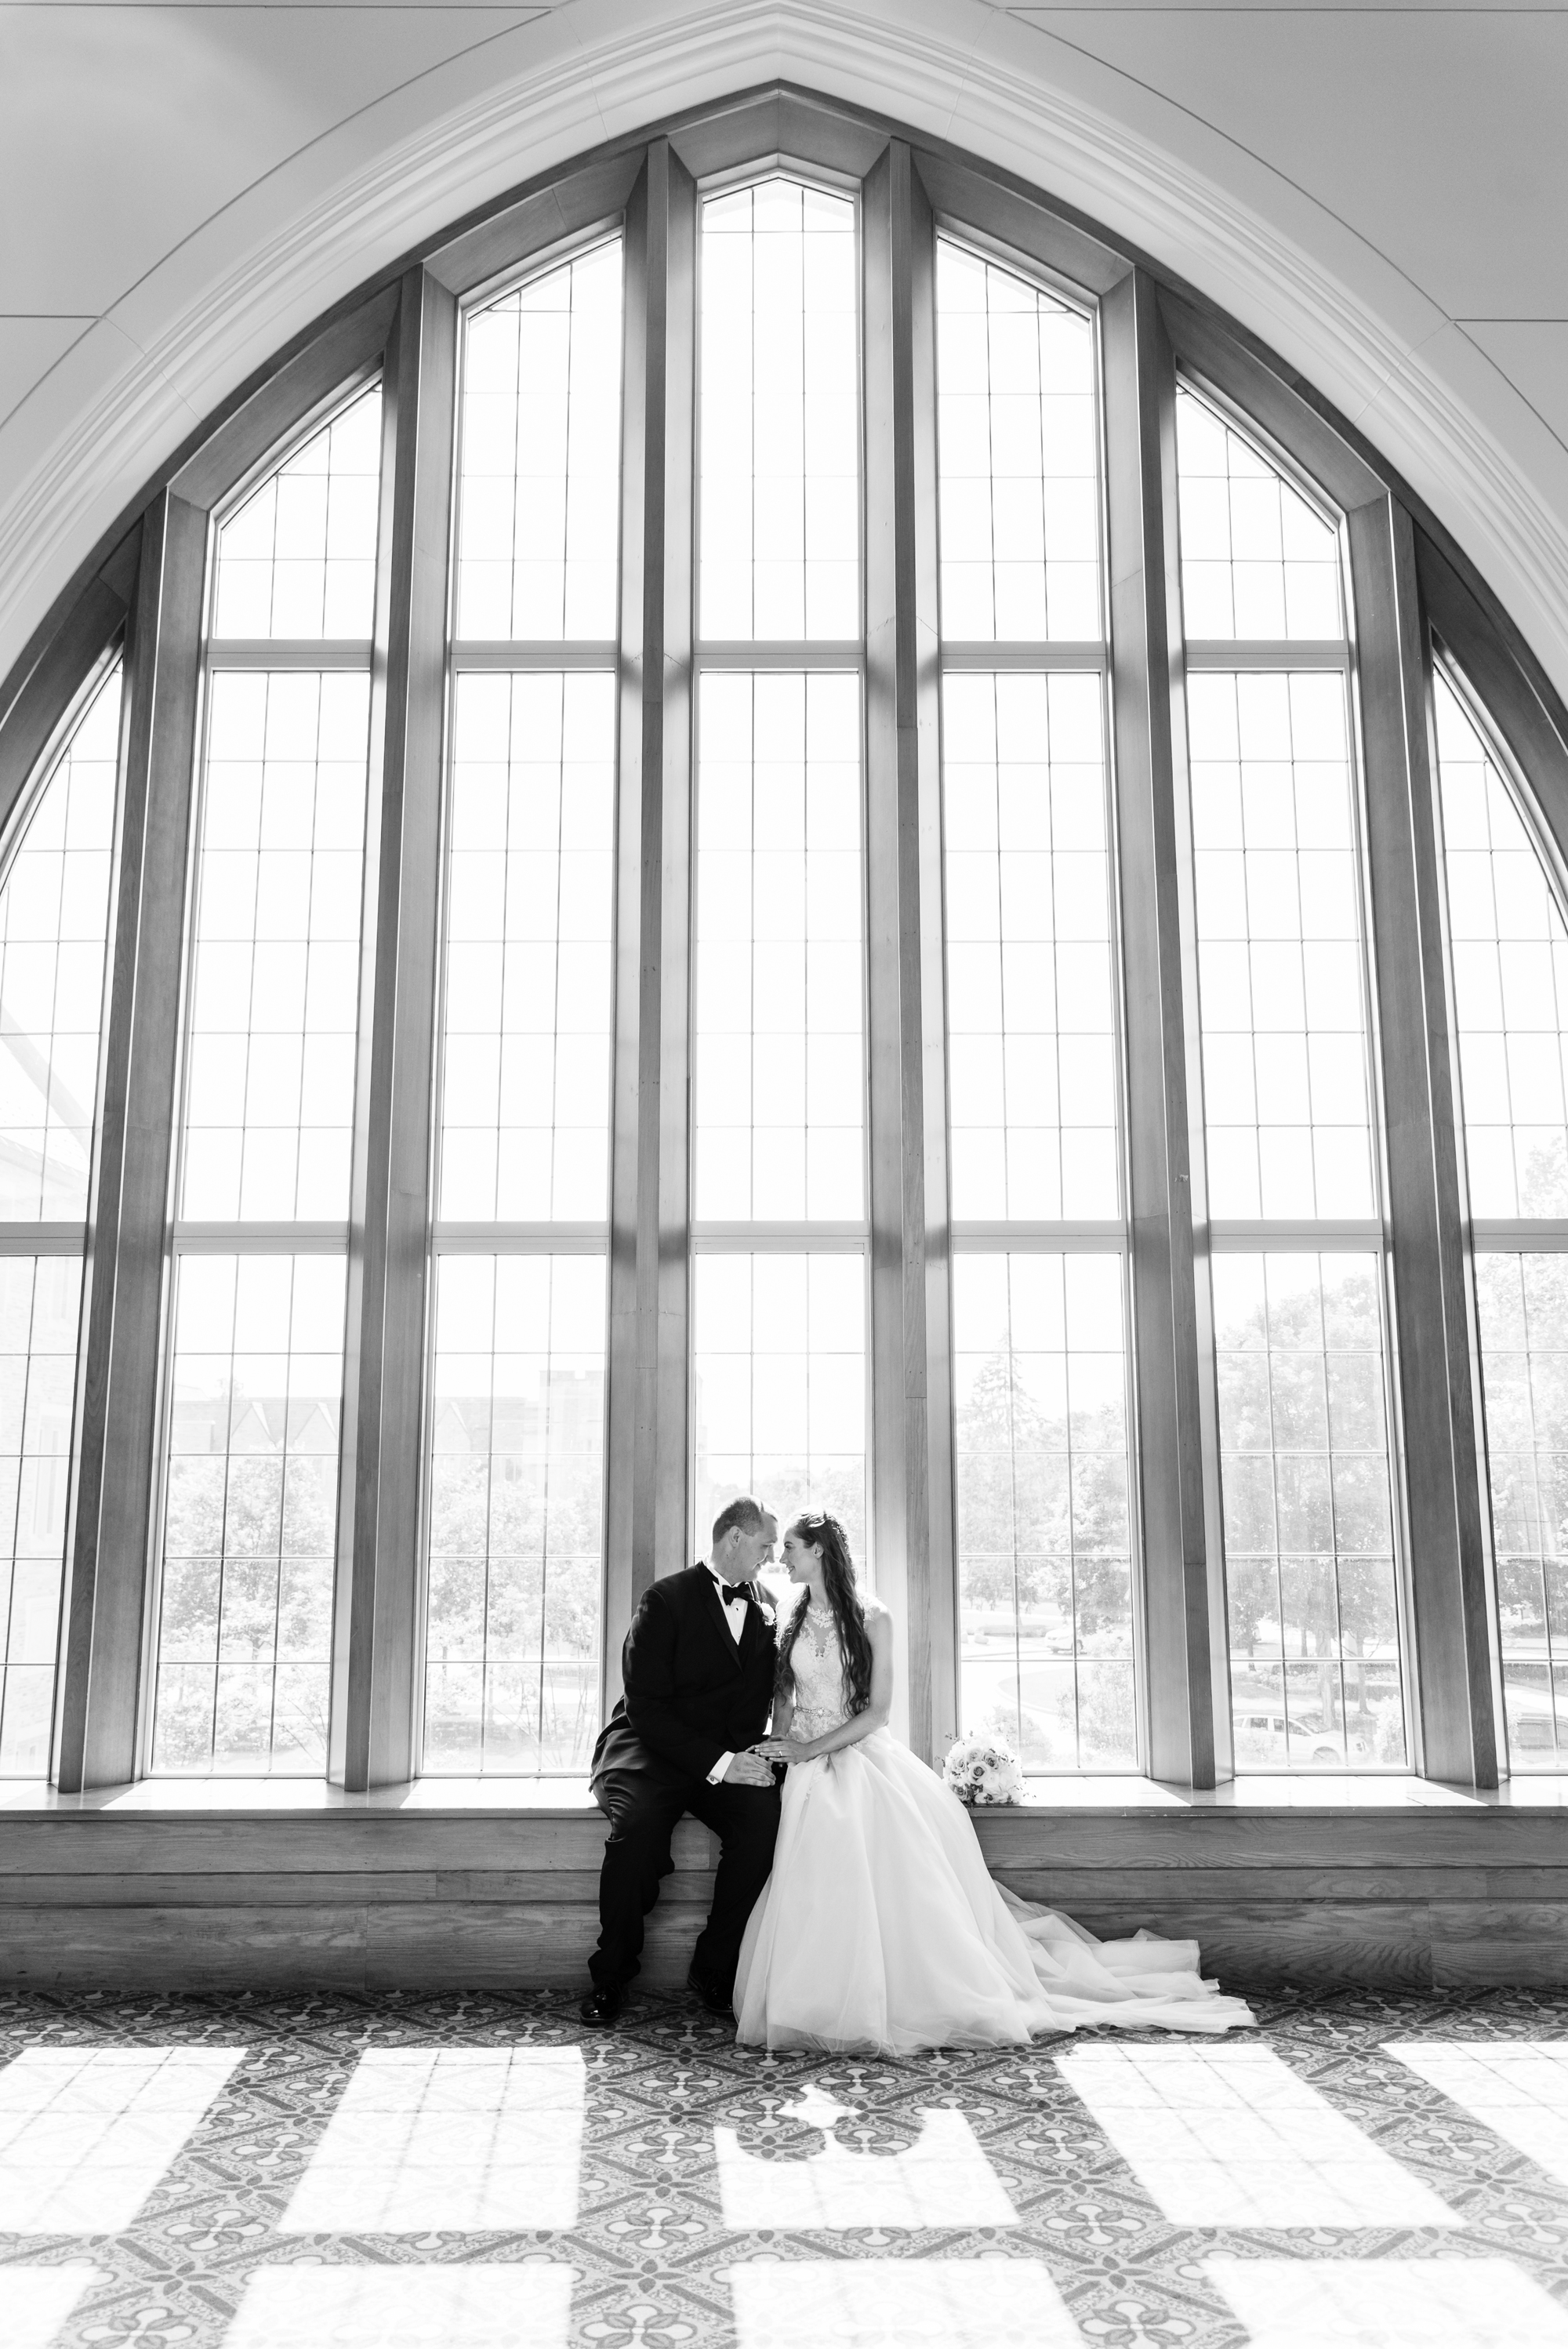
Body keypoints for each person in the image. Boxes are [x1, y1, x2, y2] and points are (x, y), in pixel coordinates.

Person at [735, 1511, 1254, 2053]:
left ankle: (884, 2000)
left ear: (818, 1550)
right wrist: (781, 1748)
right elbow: (785, 1694)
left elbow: (879, 1712)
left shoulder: (873, 1617)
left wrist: (811, 1748)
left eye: (790, 1546)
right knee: (812, 1885)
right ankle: (812, 2001)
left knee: (869, 1870)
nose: (781, 1556)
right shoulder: (790, 1611)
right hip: (804, 1768)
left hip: (858, 1757)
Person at [581, 1496, 782, 2027]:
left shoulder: (769, 1605)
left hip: (726, 1755)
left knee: (764, 1823)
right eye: (765, 1545)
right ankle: (611, 1975)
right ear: (734, 1538)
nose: (771, 1557)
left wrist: (760, 1755)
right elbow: (645, 1706)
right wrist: (719, 1761)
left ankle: (715, 1965)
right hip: (650, 1747)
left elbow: (769, 1694)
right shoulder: (665, 1599)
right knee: (639, 1831)